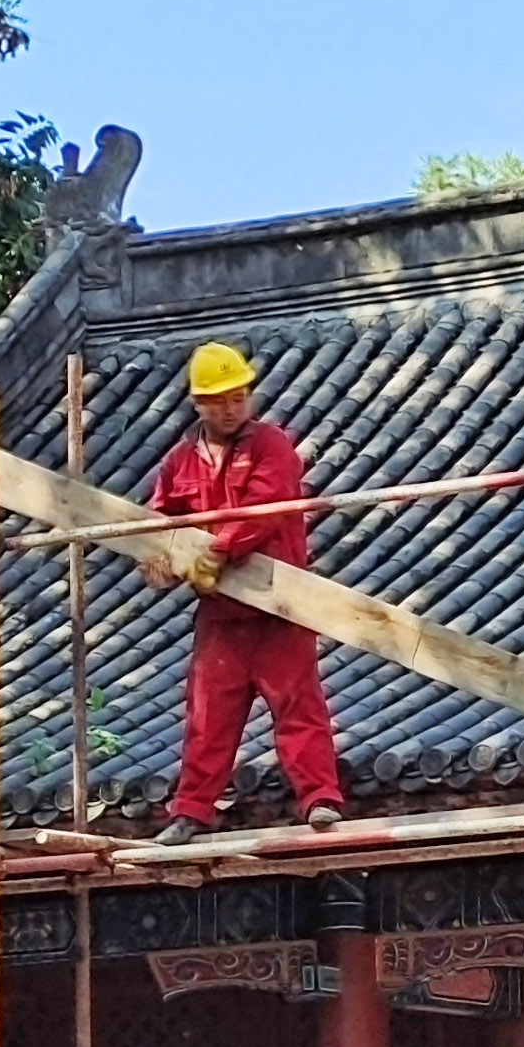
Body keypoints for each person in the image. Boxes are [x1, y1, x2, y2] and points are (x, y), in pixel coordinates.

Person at [142, 340, 345, 838]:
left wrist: (217, 550)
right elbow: (159, 519)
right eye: (219, 400)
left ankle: (320, 799)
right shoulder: (181, 462)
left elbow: (267, 505)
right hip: (222, 612)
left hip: (279, 601)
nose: (231, 408)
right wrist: (159, 559)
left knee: (299, 704)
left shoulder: (271, 445)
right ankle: (190, 810)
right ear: (199, 404)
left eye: (238, 397)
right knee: (208, 714)